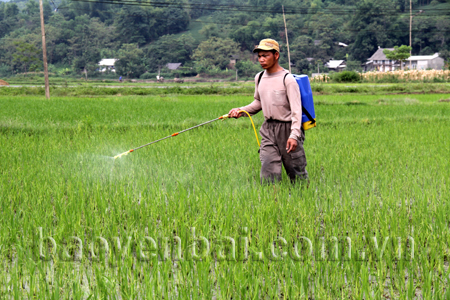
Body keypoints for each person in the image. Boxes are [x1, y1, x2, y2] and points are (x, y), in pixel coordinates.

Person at [228, 38, 308, 184]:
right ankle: (272, 202)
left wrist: (294, 135)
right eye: (259, 56)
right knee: (268, 168)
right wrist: (241, 110)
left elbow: (296, 111)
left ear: (276, 55)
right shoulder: (259, 78)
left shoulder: (287, 79)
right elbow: (258, 102)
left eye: (265, 56)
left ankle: (302, 201)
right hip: (268, 129)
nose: (261, 59)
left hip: (287, 128)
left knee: (297, 173)